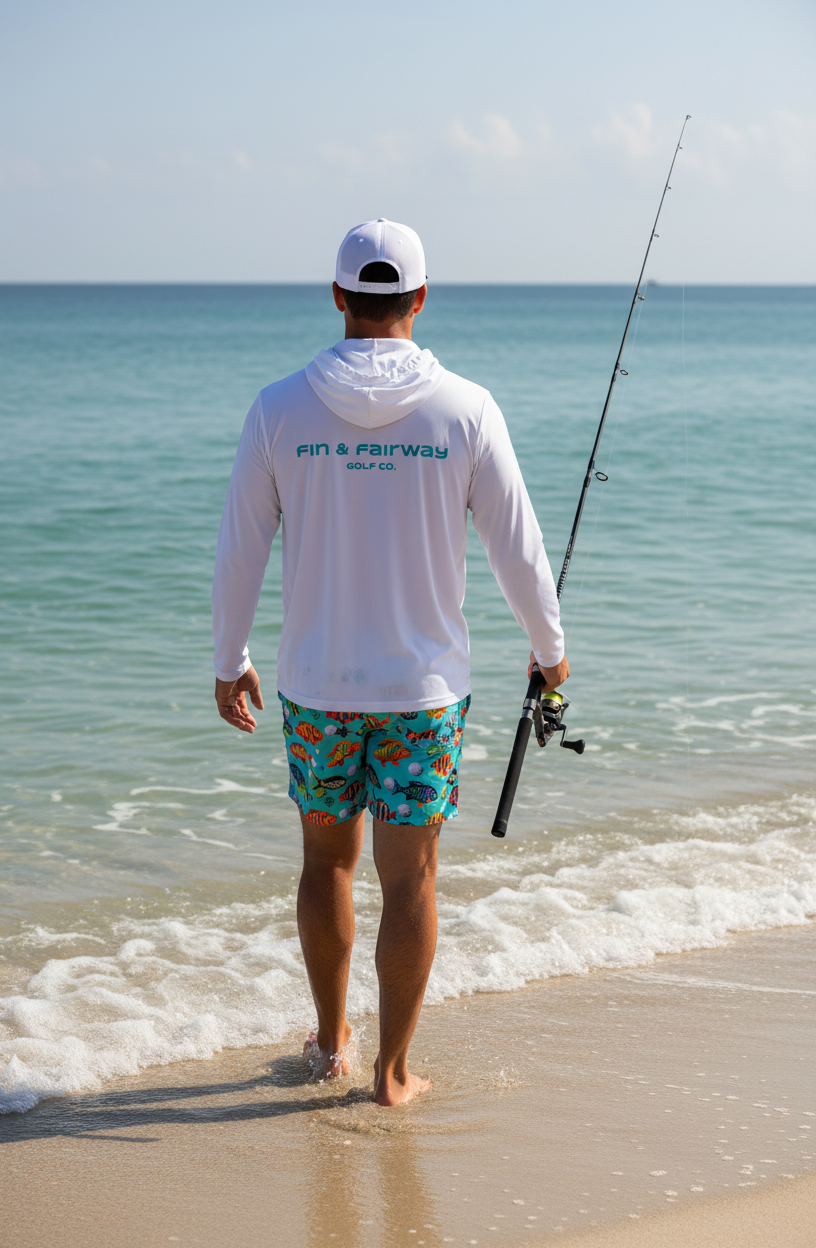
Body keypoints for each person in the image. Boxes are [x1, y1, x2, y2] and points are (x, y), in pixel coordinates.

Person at [211, 219, 568, 1106]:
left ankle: (331, 1042)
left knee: (326, 864)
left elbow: (240, 549)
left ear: (338, 298)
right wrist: (550, 651)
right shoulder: (466, 408)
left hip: (317, 687)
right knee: (409, 876)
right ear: (418, 298)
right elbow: (517, 551)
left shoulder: (279, 407)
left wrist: (230, 659)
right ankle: (391, 1073)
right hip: (424, 693)